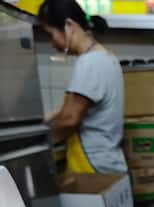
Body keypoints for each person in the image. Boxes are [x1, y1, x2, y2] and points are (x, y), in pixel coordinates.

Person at [38, 0, 127, 174]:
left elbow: (70, 118)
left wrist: (42, 145)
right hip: (108, 162)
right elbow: (75, 108)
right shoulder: (105, 57)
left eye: (50, 34)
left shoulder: (90, 62)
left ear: (69, 25)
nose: (52, 43)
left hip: (93, 166)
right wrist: (43, 119)